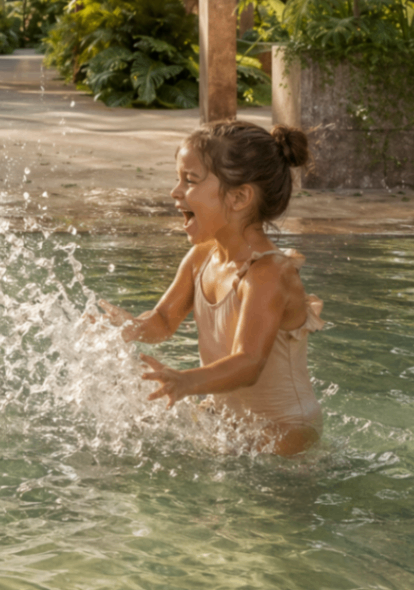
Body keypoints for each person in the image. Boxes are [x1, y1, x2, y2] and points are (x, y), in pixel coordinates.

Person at [100, 120, 324, 455]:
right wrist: (130, 327)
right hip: (228, 420)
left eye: (190, 181)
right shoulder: (201, 258)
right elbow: (164, 320)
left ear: (238, 197)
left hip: (285, 431)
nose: (175, 192)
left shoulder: (268, 273)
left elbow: (249, 363)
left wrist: (187, 381)